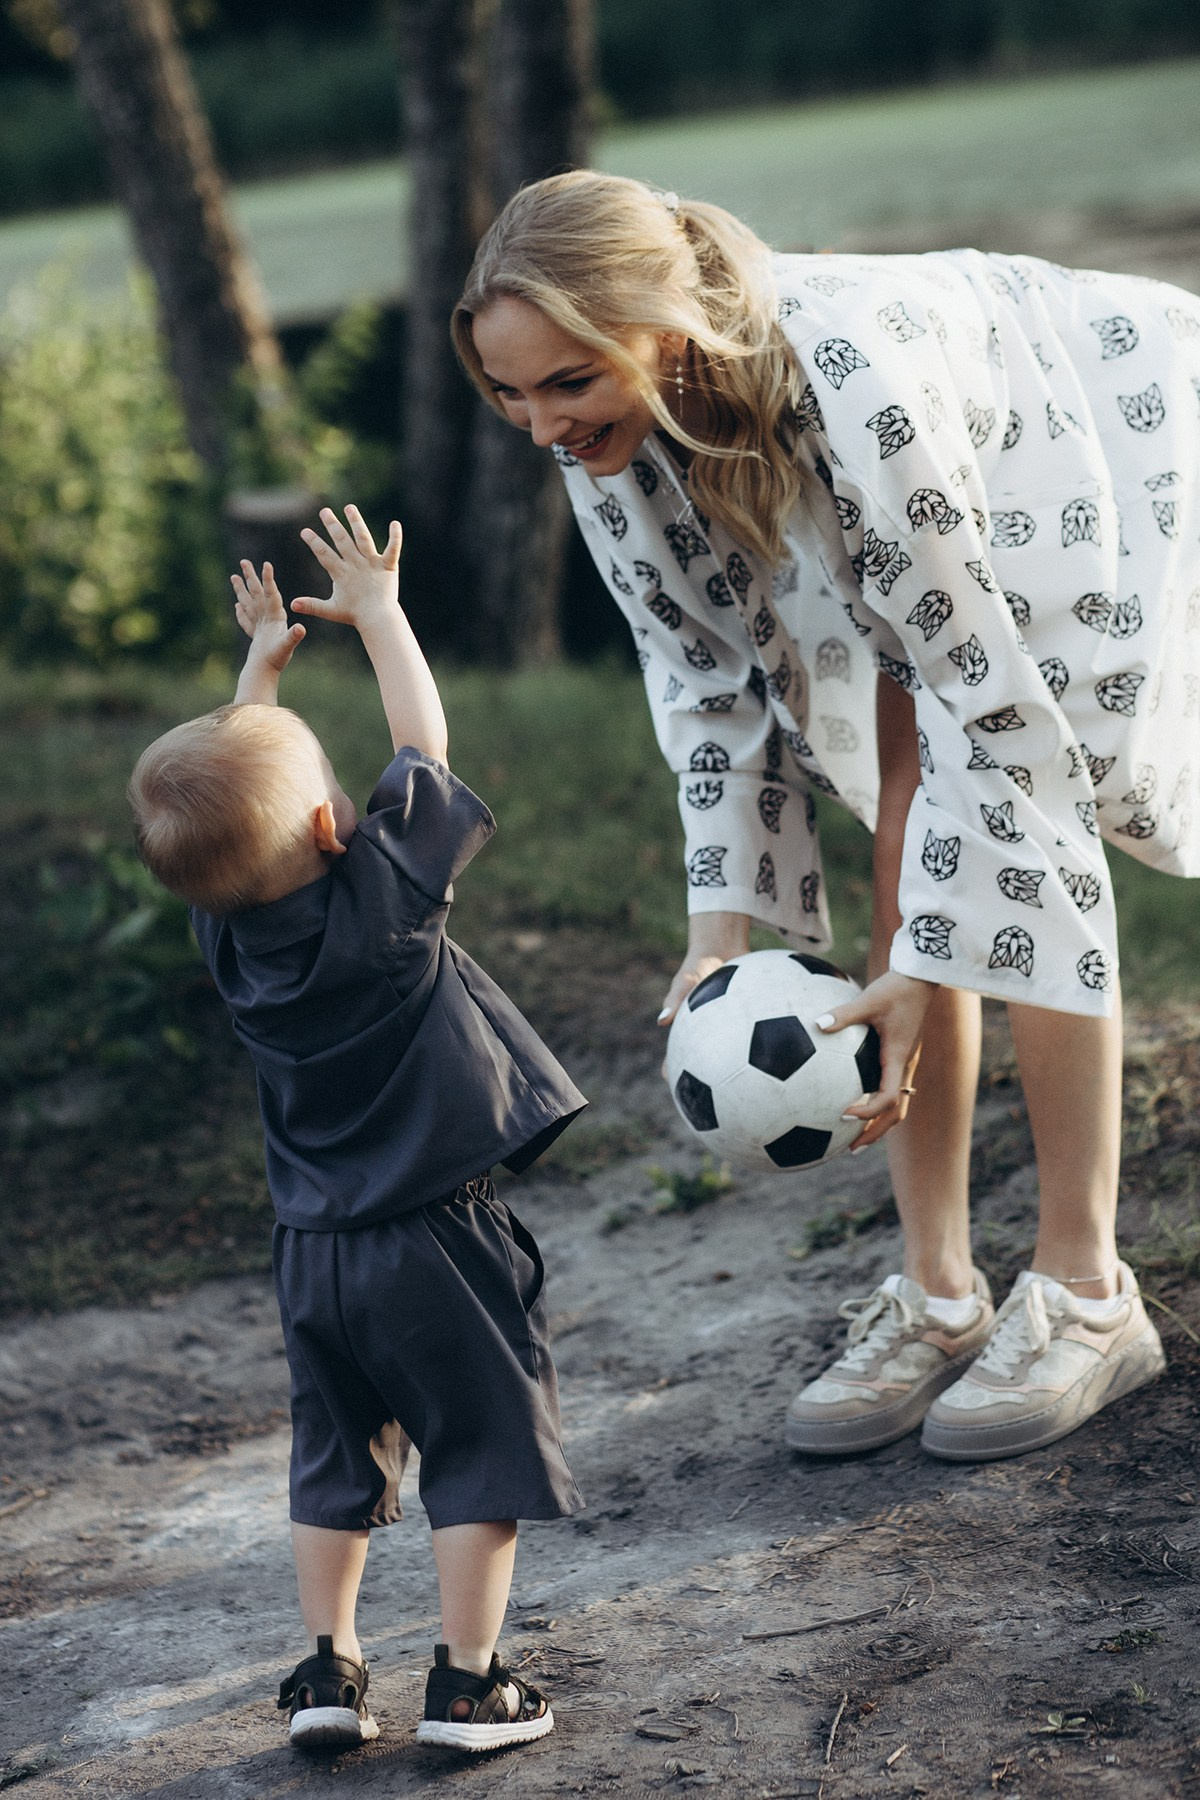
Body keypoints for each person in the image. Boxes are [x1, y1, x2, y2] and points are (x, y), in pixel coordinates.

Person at [451, 169, 1200, 1463]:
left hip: (1085, 434)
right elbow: (707, 684)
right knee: (902, 829)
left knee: (1026, 820)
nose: (539, 424)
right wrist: (717, 932)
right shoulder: (602, 440)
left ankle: (1086, 1293)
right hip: (887, 520)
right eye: (510, 393)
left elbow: (980, 703)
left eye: (568, 382)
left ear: (664, 325)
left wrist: (922, 958)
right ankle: (940, 1290)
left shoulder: (855, 383)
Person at [128, 505, 586, 1754]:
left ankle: (327, 1673)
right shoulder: (382, 908)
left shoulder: (227, 940)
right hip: (437, 1237)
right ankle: (470, 1685)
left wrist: (258, 674)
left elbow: (231, 814)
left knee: (335, 1455)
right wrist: (378, 615)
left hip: (311, 1253)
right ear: (339, 829)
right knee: (480, 1443)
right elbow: (423, 746)